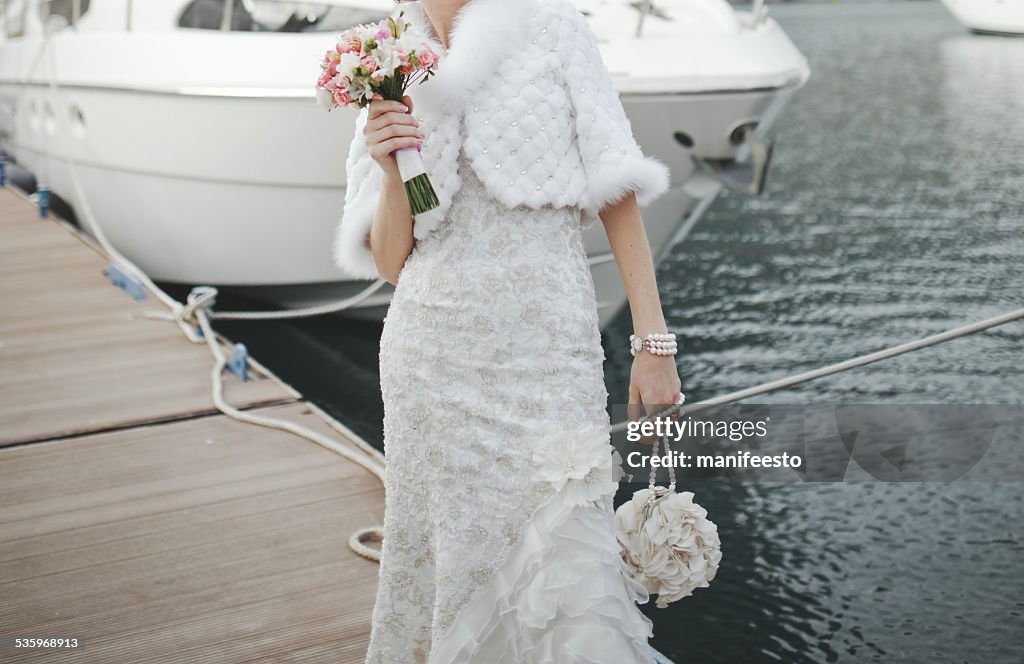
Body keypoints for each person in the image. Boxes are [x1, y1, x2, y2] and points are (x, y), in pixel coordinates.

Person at [333, 0, 683, 661]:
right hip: (429, 358)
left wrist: (653, 342)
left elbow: (616, 184)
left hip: (548, 349)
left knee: (565, 557)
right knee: (447, 560)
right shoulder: (385, 57)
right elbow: (389, 263)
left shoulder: (553, 26)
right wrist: (388, 170)